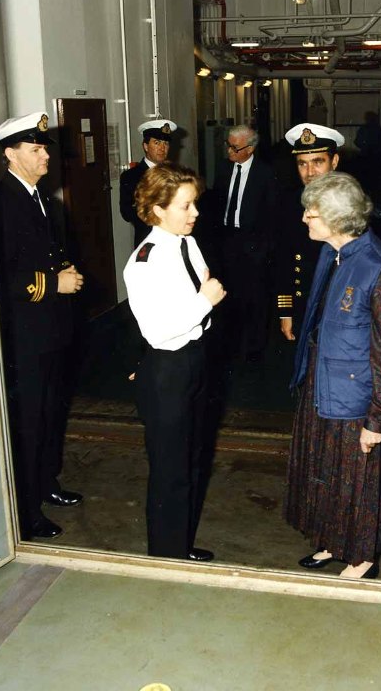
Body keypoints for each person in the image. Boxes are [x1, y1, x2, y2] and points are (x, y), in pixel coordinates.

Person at [284, 172, 381, 579]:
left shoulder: (377, 271)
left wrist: (377, 420)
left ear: (337, 221)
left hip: (355, 400)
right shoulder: (335, 253)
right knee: (322, 471)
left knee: (355, 481)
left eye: (312, 213)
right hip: (323, 384)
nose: (304, 218)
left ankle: (361, 557)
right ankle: (330, 541)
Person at [123, 163, 226, 562]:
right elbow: (158, 331)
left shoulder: (187, 243)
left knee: (192, 461)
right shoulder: (146, 260)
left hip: (194, 360)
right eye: (185, 206)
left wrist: (202, 305)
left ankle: (178, 544)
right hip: (168, 369)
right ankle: (166, 557)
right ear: (158, 208)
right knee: (170, 472)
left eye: (194, 204)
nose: (195, 213)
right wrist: (205, 302)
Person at [0, 111, 85, 541]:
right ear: (11, 154)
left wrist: (66, 269)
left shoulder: (39, 197)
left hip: (50, 330)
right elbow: (2, 275)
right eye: (35, 148)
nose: (44, 153)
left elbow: (47, 251)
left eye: (44, 147)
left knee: (50, 413)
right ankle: (25, 514)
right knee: (28, 420)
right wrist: (52, 284)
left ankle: (46, 483)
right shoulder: (3, 201)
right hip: (25, 334)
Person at [275, 123, 345, 342]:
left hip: (341, 309)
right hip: (302, 305)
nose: (310, 172)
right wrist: (286, 311)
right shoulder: (288, 203)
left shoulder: (351, 203)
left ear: (334, 162)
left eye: (318, 162)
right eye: (302, 164)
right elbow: (282, 259)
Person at [213, 125, 276, 362]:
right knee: (230, 296)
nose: (229, 151)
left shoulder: (266, 174)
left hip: (253, 244)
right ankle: (231, 344)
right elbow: (216, 205)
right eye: (228, 145)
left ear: (250, 149)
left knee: (255, 298)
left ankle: (254, 349)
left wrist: (263, 249)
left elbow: (271, 215)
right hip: (227, 241)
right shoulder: (222, 169)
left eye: (234, 147)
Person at [119, 119, 177, 246]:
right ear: (145, 146)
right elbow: (126, 213)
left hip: (175, 240)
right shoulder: (131, 177)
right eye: (157, 143)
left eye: (166, 143)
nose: (162, 148)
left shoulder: (175, 174)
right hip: (148, 241)